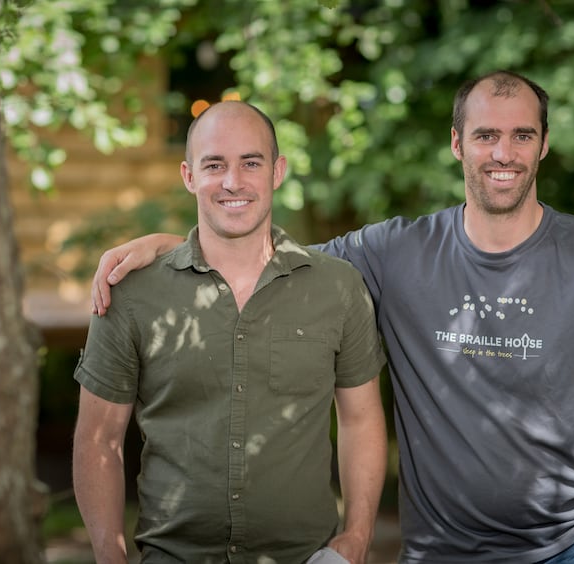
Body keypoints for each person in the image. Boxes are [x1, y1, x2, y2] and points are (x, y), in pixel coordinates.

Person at [90, 70, 574, 563]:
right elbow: (260, 258)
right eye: (486, 136)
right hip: (438, 551)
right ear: (457, 144)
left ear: (544, 144)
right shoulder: (396, 252)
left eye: (521, 135)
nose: (503, 153)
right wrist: (170, 246)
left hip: (569, 544)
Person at [72, 101, 388, 564]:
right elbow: (99, 439)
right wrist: (109, 555)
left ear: (277, 171)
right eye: (214, 165)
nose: (233, 181)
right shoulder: (132, 294)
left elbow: (361, 420)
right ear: (189, 176)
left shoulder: (337, 288)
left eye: (251, 163)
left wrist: (358, 536)